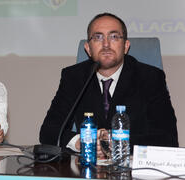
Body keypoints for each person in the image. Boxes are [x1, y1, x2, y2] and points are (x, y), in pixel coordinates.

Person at [39, 13, 178, 157]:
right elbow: (49, 131)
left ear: (125, 46)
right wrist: (82, 142)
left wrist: (115, 142)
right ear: (88, 48)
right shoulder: (74, 77)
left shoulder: (150, 77)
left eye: (114, 37)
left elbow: (168, 139)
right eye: (98, 37)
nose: (106, 44)